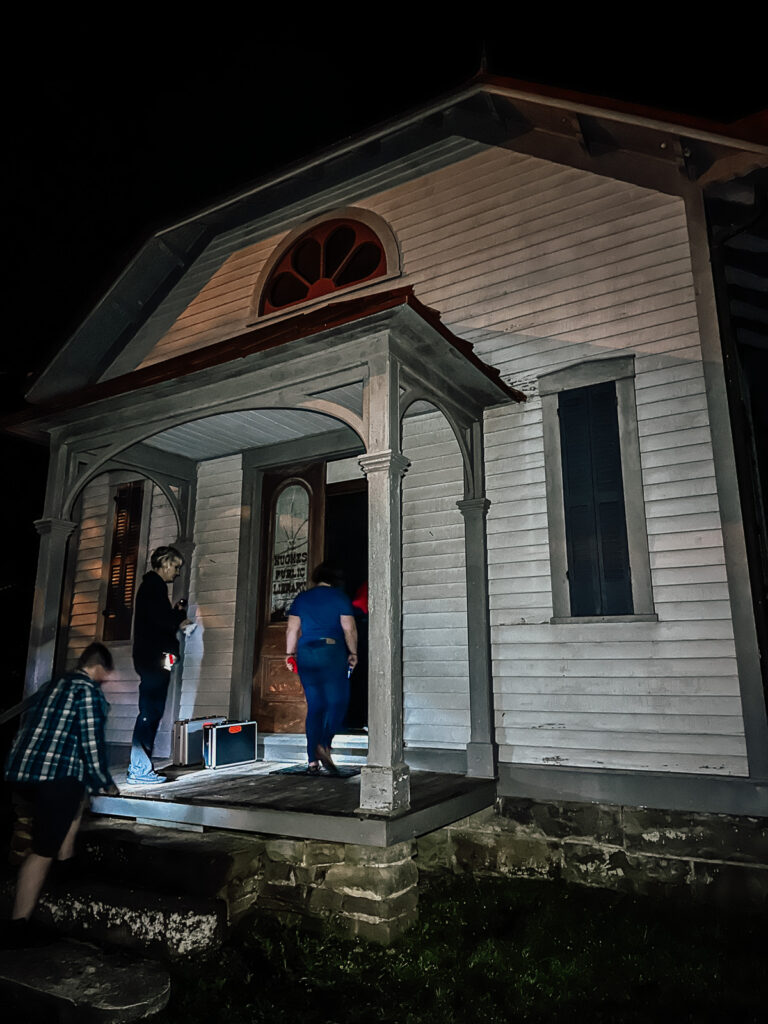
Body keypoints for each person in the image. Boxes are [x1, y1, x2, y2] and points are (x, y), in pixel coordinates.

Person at [2, 642, 118, 947]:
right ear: (98, 668)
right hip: (55, 778)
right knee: (42, 851)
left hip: (23, 773)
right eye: (106, 673)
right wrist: (103, 781)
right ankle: (18, 925)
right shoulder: (89, 692)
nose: (106, 679)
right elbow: (91, 744)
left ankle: (67, 862)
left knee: (76, 802)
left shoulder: (54, 685)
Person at [285, 562, 358, 774]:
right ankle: (324, 744)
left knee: (315, 705)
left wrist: (290, 655)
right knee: (338, 701)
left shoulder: (302, 598)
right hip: (331, 651)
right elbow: (349, 629)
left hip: (307, 653)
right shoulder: (339, 597)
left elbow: (292, 629)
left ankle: (312, 761)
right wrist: (353, 653)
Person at [127, 545, 191, 784]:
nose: (176, 572)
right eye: (175, 566)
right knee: (150, 711)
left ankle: (140, 767)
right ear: (164, 563)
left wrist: (173, 615)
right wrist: (179, 619)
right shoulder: (154, 586)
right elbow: (161, 620)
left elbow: (158, 618)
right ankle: (139, 769)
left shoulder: (152, 587)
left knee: (151, 711)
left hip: (150, 657)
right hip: (153, 658)